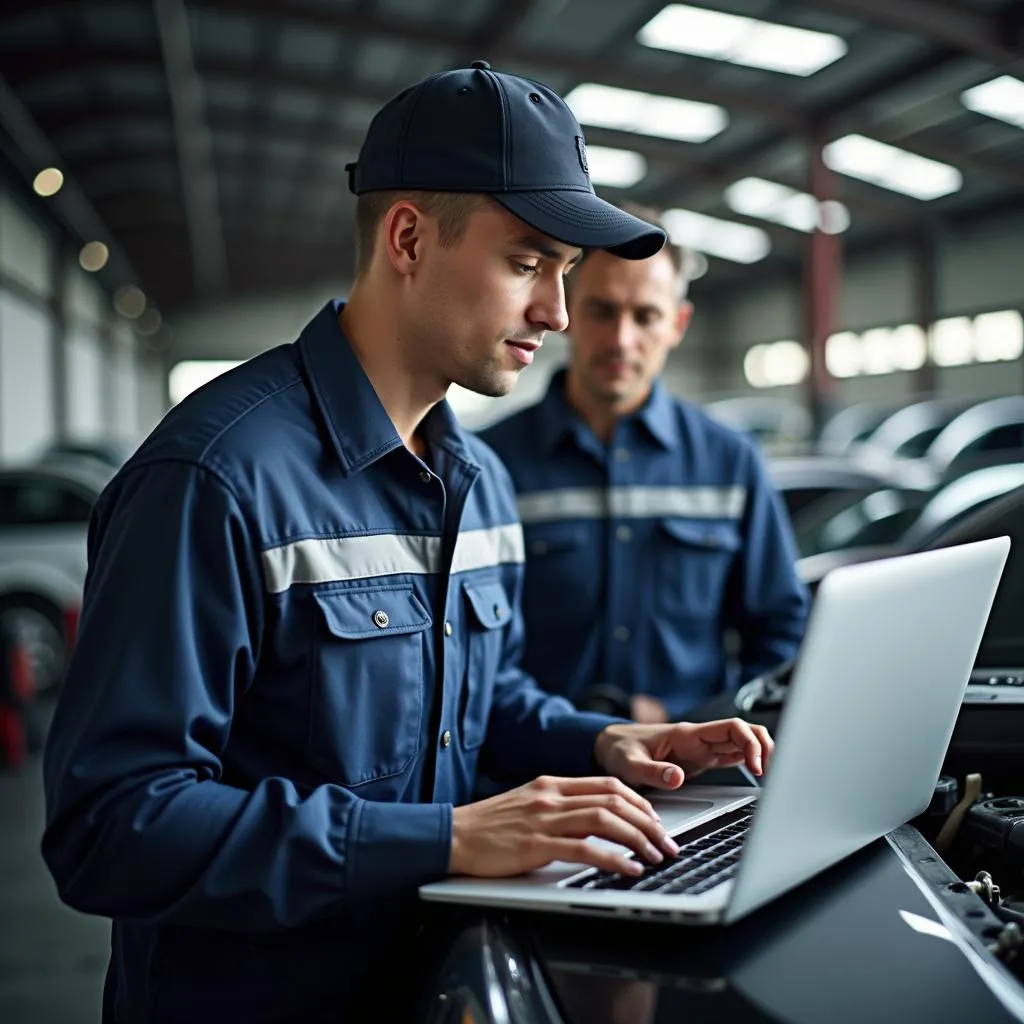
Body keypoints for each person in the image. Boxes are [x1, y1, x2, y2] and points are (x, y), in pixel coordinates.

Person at [41, 63, 773, 1023]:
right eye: (527, 262)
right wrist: (442, 839)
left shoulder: (481, 480)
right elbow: (112, 825)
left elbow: (477, 700)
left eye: (563, 273)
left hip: (436, 987)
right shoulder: (215, 481)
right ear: (408, 238)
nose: (555, 313)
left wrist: (598, 742)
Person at [481, 208, 809, 723]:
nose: (621, 340)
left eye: (646, 316)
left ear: (678, 324)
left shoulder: (730, 462)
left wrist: (704, 723)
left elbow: (780, 632)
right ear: (566, 311)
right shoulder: (490, 462)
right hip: (531, 777)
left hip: (693, 773)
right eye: (602, 311)